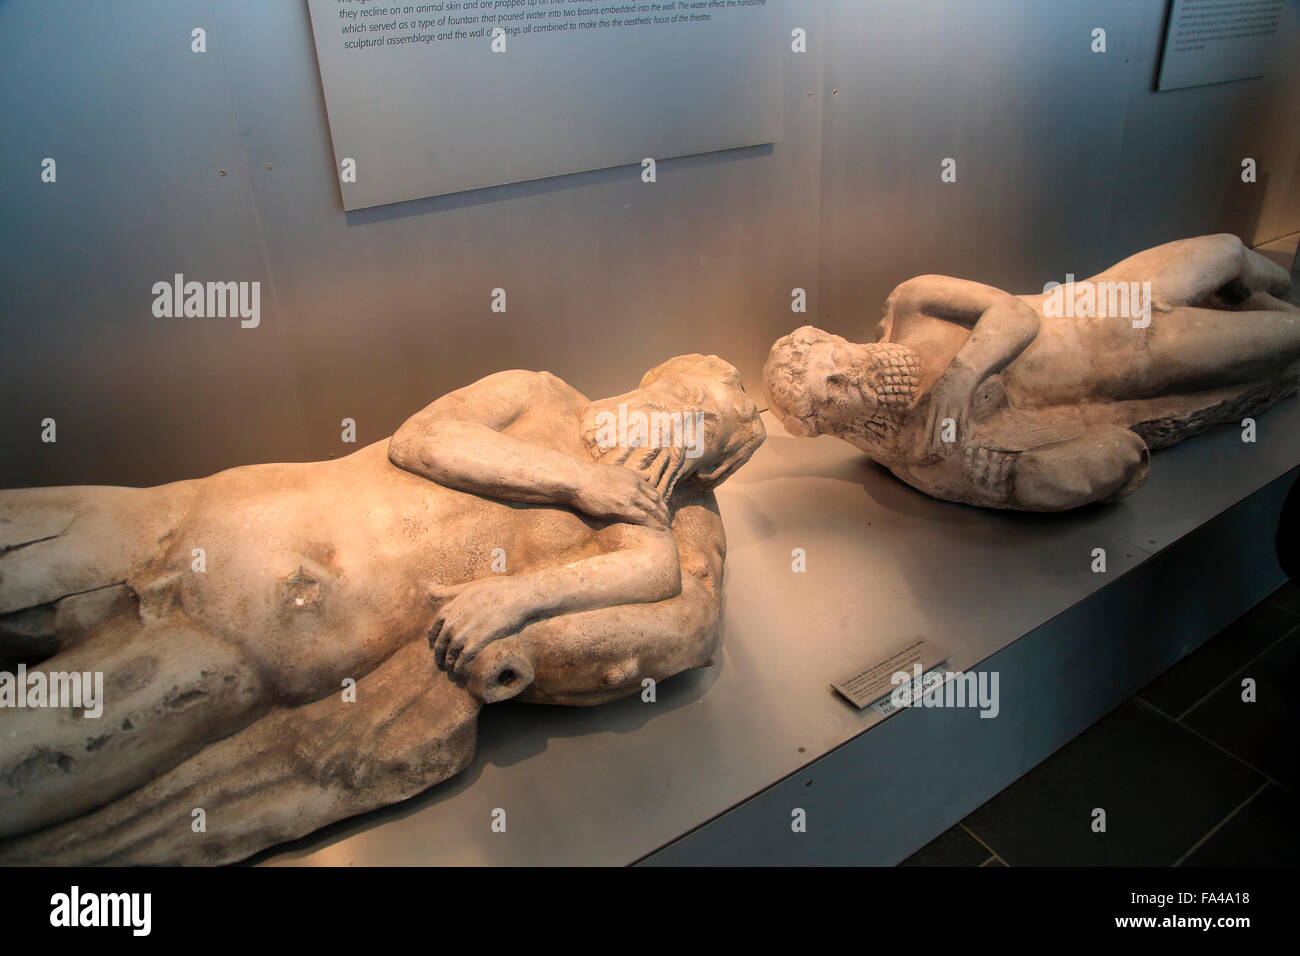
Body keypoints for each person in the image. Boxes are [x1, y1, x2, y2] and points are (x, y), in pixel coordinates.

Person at [0, 354, 764, 863]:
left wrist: (516, 595)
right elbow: (425, 438)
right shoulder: (539, 393)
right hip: (191, 519)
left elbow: (669, 596)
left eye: (710, 426)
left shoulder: (645, 535)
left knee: (22, 769)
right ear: (655, 374)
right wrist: (573, 480)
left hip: (256, 650)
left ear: (708, 467)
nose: (696, 415)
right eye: (698, 391)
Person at [765, 235, 1300, 510]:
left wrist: (960, 375)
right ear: (822, 425)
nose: (849, 375)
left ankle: (1266, 296)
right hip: (1142, 358)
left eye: (834, 361)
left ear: (833, 339)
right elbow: (1041, 473)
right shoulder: (924, 447)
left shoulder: (913, 303)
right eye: (832, 392)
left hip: (1108, 296)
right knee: (1289, 338)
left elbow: (1015, 313)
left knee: (1230, 252)